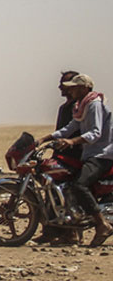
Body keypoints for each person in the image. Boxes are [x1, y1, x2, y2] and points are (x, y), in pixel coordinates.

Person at [40, 73, 113, 247]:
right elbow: (71, 127)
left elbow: (95, 132)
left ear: (84, 88)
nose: (70, 90)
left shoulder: (94, 104)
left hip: (102, 154)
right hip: (90, 154)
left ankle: (102, 225)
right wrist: (45, 138)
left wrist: (72, 141)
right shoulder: (82, 106)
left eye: (74, 87)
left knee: (79, 185)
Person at [37, 70, 83, 245]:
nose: (60, 87)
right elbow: (62, 131)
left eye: (64, 84)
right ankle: (51, 231)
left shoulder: (79, 107)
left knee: (65, 191)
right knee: (50, 189)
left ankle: (71, 232)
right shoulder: (65, 108)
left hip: (75, 156)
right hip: (62, 155)